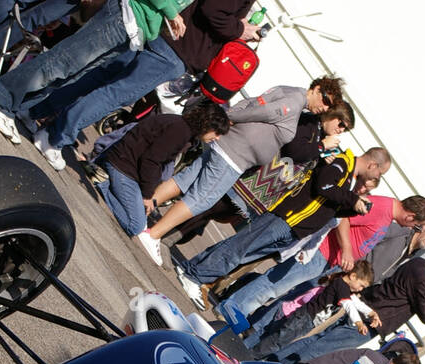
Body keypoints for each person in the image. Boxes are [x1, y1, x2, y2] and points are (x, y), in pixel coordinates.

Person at [140, 78, 346, 258]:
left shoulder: (290, 92)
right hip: (234, 155)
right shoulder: (294, 102)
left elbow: (256, 103)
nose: (325, 107)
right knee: (201, 199)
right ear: (317, 89)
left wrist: (233, 116)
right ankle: (153, 234)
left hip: (231, 147)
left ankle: (140, 215)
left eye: (330, 106)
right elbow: (262, 110)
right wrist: (231, 117)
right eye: (326, 100)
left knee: (185, 181)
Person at [174, 147, 390, 306]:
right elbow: (324, 185)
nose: (377, 178)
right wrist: (352, 200)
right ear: (373, 165)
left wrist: (353, 208)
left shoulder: (349, 179)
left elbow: (330, 208)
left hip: (296, 228)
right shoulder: (342, 163)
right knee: (240, 249)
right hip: (286, 218)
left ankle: (193, 269)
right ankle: (196, 276)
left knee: (244, 253)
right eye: (380, 173)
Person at [0, 0, 185, 149]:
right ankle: (0, 99)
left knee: (70, 74)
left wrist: (166, 19)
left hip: (134, 29)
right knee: (62, 62)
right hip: (126, 16)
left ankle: (15, 106)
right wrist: (171, 13)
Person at [224, 195, 425, 335]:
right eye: (415, 225)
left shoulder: (388, 216)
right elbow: (343, 216)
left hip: (329, 262)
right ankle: (231, 313)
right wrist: (348, 250)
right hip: (322, 252)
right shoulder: (381, 207)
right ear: (411, 216)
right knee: (274, 285)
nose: (412, 228)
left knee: (287, 294)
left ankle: (244, 322)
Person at [267, 254, 425, 364]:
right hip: (372, 320)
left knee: (316, 339)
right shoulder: (423, 278)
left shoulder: (420, 264)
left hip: (365, 306)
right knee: (323, 349)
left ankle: (273, 361)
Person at [94, 99, 230, 237]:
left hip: (125, 167)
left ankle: (108, 183)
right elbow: (151, 161)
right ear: (206, 125)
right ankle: (103, 185)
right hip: (122, 168)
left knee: (140, 213)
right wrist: (147, 195)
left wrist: (147, 194)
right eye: (217, 132)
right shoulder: (179, 131)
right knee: (135, 226)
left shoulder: (182, 128)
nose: (217, 138)